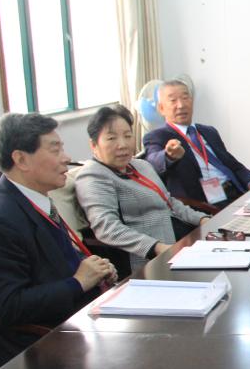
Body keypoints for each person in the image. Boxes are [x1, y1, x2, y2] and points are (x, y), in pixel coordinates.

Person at [0, 113, 117, 369]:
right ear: (21, 159)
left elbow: (54, 259)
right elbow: (6, 306)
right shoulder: (0, 220)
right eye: (55, 149)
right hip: (41, 354)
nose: (66, 158)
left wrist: (95, 270)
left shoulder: (35, 198)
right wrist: (78, 282)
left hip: (78, 321)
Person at [76, 105, 209, 272]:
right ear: (94, 145)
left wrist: (202, 219)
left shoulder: (141, 165)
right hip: (152, 260)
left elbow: (169, 202)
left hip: (185, 242)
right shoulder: (93, 175)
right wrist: (157, 248)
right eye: (111, 138)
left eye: (127, 136)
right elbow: (107, 227)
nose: (122, 145)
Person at [143, 79, 250, 208]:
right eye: (173, 100)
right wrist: (169, 156)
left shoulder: (209, 131)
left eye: (185, 98)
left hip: (237, 191)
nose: (181, 105)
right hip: (205, 204)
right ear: (161, 108)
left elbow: (232, 164)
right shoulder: (156, 137)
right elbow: (152, 161)